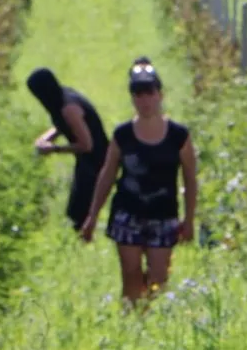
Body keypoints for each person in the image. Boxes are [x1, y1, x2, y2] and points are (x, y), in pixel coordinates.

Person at [81, 58, 197, 306]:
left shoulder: (179, 136)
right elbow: (107, 175)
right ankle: (132, 324)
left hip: (164, 216)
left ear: (160, 95)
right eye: (138, 94)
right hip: (127, 215)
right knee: (131, 277)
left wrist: (189, 219)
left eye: (149, 93)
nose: (144, 100)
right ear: (132, 98)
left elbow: (189, 178)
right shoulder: (122, 135)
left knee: (158, 279)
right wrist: (92, 217)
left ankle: (151, 324)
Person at [25, 66, 110, 232]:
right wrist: (45, 138)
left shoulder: (69, 108)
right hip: (88, 159)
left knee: (79, 214)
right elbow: (62, 126)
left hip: (97, 159)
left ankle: (90, 240)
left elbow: (87, 145)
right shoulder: (61, 97)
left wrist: (54, 149)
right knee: (75, 212)